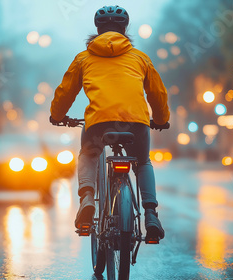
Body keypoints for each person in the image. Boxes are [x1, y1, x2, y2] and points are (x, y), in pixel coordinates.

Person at [50, 5, 170, 240]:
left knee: (89, 154)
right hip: (136, 123)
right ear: (125, 29)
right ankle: (150, 214)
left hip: (99, 123)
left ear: (97, 29)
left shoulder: (83, 58)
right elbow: (158, 93)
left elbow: (65, 91)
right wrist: (160, 119)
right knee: (143, 162)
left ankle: (87, 199)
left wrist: (57, 116)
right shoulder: (140, 58)